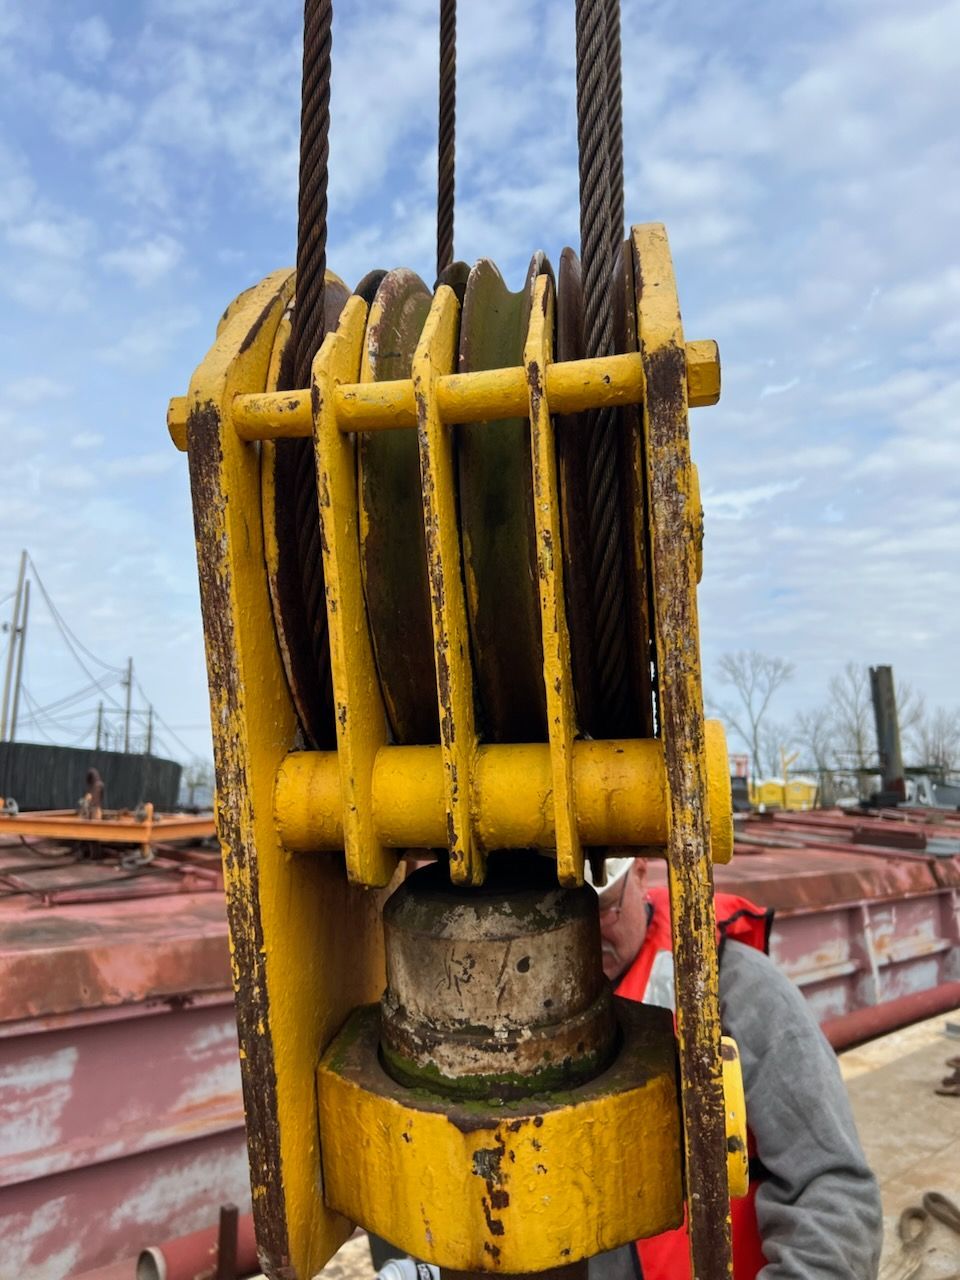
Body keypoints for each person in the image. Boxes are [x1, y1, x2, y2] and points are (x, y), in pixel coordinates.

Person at [590, 856, 883, 1280]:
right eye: (564, 918)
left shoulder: (740, 989)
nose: (584, 937)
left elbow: (834, 1192)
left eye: (602, 910)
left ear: (638, 875)